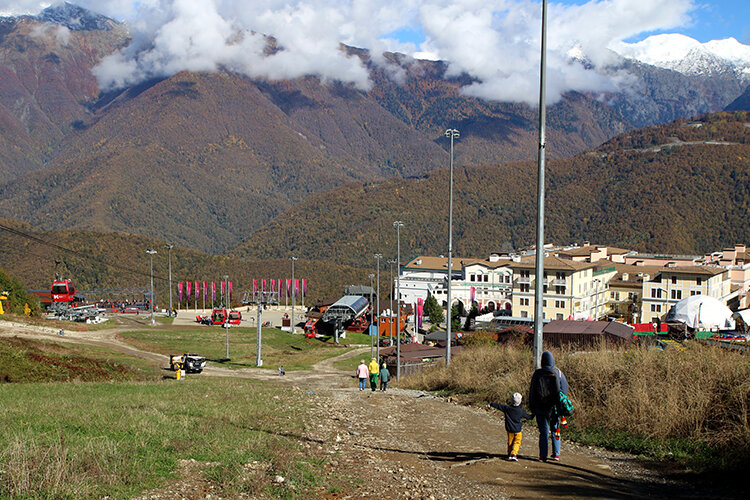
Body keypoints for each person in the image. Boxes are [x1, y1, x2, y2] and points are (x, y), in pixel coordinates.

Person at [529, 350, 569, 462]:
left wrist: (532, 408)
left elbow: (532, 392)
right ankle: (556, 454)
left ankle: (543, 456)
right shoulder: (558, 372)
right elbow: (565, 390)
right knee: (556, 430)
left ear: (542, 361)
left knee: (544, 432)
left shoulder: (537, 373)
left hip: (541, 408)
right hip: (555, 407)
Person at [489, 392, 534, 461]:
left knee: (510, 442)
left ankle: (509, 454)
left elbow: (498, 406)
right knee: (517, 442)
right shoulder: (520, 411)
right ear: (520, 401)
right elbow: (529, 417)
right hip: (517, 430)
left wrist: (491, 404)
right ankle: (513, 454)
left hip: (509, 429)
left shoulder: (507, 408)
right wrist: (534, 414)